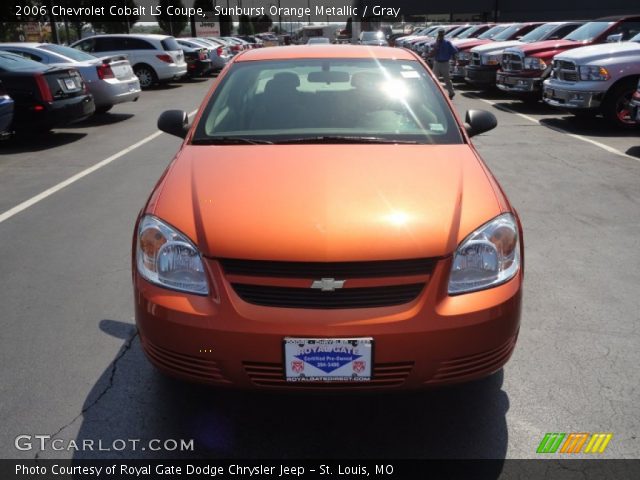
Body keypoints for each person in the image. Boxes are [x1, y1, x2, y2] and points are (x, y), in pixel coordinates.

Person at [429, 29, 458, 99]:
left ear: (444, 35)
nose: (440, 36)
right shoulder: (436, 43)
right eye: (439, 34)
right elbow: (432, 53)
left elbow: (453, 52)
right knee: (434, 79)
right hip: (437, 62)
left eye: (442, 34)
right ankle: (434, 93)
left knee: (447, 79)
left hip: (445, 63)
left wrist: (455, 61)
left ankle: (451, 92)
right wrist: (434, 49)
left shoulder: (447, 43)